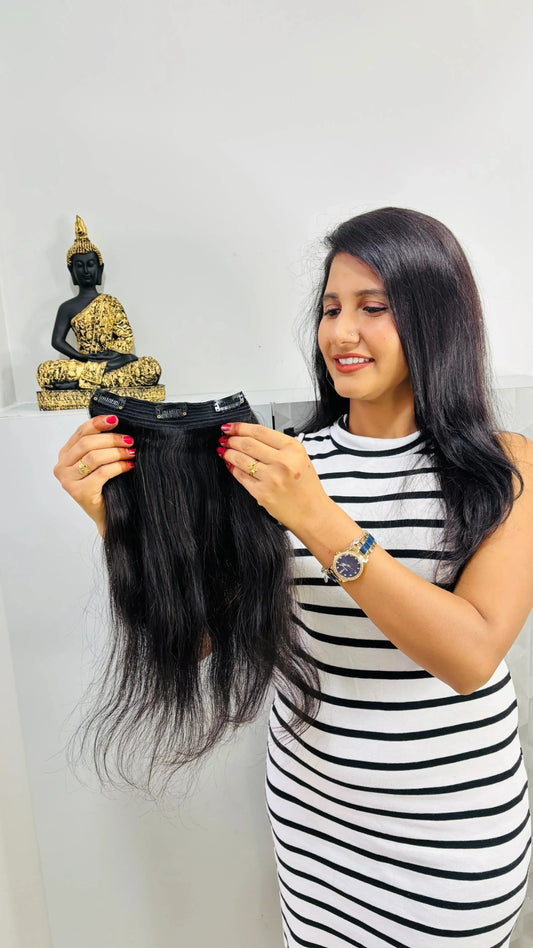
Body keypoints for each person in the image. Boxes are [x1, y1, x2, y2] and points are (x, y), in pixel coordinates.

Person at [54, 207, 532, 946]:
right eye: (330, 309)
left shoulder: (503, 465)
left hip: (451, 831)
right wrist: (116, 525)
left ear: (437, 318)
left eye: (373, 308)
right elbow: (204, 641)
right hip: (316, 823)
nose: (341, 333)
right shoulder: (282, 460)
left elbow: (469, 656)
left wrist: (314, 513)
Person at [37, 215, 161, 393]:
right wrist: (81, 356)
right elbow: (57, 341)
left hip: (113, 361)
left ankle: (82, 384)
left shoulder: (110, 302)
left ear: (99, 269)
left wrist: (114, 356)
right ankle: (100, 381)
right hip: (83, 362)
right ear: (71, 270)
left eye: (91, 264)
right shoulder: (67, 307)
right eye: (79, 266)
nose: (86, 270)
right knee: (45, 372)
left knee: (150, 368)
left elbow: (126, 339)